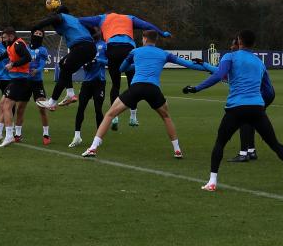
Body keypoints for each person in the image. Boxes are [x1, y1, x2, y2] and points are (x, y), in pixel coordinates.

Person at [182, 29, 283, 193]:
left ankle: (212, 182)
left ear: (239, 41)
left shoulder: (230, 57)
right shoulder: (259, 63)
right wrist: (261, 104)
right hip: (257, 108)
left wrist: (196, 88)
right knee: (275, 144)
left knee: (220, 143)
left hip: (236, 108)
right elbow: (268, 89)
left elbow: (218, 75)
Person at [81, 31, 200, 159]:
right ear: (156, 40)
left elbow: (122, 69)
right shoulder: (164, 54)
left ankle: (93, 148)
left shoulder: (135, 52)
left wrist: (135, 65)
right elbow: (188, 64)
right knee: (166, 117)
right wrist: (204, 65)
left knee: (110, 114)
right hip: (153, 89)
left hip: (136, 88)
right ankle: (177, 150)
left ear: (144, 39)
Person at [78, 10, 171, 128]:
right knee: (132, 84)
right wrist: (162, 33)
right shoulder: (129, 18)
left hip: (112, 49)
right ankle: (133, 117)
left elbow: (81, 20)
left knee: (115, 85)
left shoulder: (102, 18)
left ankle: (114, 117)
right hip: (128, 49)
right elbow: (147, 25)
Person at [194, 37, 274, 163]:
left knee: (245, 118)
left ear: (240, 45)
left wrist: (197, 87)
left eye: (233, 45)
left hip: (263, 94)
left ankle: (244, 154)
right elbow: (221, 72)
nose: (231, 47)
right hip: (266, 93)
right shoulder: (243, 59)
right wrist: (204, 64)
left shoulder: (237, 58)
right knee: (250, 120)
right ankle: (251, 151)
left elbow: (220, 74)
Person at [33, 1, 96, 110]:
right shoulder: (75, 20)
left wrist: (36, 26)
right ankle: (70, 94)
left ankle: (52, 102)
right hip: (91, 48)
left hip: (81, 47)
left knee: (64, 69)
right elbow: (93, 30)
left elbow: (54, 19)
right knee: (63, 66)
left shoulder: (61, 17)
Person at [0, 28, 33, 147]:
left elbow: (27, 58)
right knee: (1, 104)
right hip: (15, 79)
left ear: (11, 36)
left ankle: (9, 135)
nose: (3, 40)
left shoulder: (18, 44)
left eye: (4, 37)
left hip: (20, 80)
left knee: (7, 106)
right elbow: (7, 53)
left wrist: (13, 64)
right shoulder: (10, 45)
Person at [69, 37, 107, 148]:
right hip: (87, 82)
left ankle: (99, 138)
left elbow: (109, 61)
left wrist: (98, 61)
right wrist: (86, 64)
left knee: (98, 109)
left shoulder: (104, 45)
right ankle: (77, 136)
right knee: (81, 107)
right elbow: (81, 62)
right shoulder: (85, 46)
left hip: (99, 82)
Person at [28, 29, 52, 145]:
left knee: (41, 108)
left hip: (37, 81)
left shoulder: (43, 50)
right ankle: (16, 133)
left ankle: (46, 134)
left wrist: (36, 70)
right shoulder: (25, 48)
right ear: (32, 35)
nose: (37, 35)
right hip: (24, 81)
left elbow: (42, 64)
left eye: (40, 34)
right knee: (20, 107)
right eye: (36, 33)